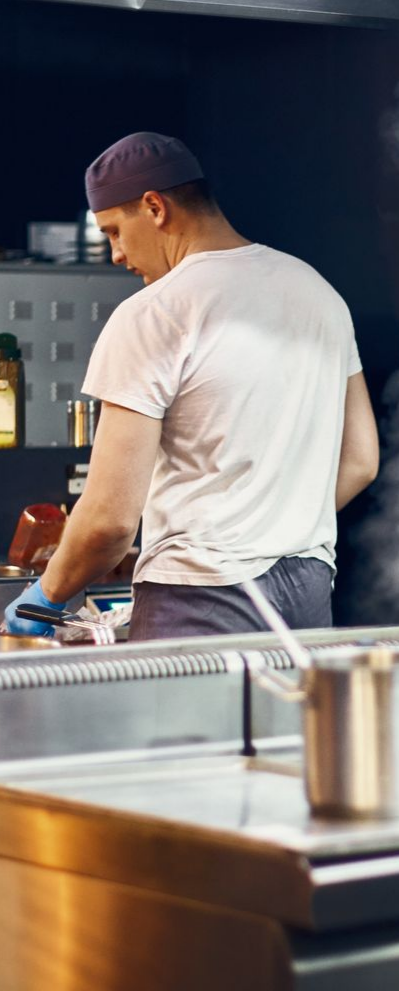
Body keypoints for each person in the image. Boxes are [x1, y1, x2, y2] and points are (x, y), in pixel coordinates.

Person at [4, 132, 379, 641]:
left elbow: (110, 520)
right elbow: (360, 461)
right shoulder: (319, 294)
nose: (115, 254)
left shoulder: (155, 313)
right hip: (306, 593)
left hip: (199, 595)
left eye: (115, 232)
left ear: (154, 207)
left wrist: (46, 594)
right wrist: (267, 524)